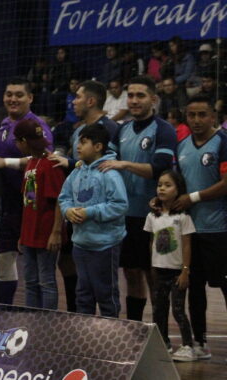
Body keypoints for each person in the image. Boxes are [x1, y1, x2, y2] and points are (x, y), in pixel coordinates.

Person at [100, 75, 177, 321]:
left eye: (140, 95)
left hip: (155, 216)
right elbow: (107, 162)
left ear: (153, 99)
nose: (134, 101)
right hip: (126, 214)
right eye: (130, 95)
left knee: (153, 274)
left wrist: (124, 164)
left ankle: (160, 332)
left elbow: (159, 168)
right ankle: (135, 328)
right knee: (131, 272)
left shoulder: (164, 130)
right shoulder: (122, 128)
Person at [173, 94, 227, 360]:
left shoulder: (223, 143)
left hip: (219, 229)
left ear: (213, 116)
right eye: (191, 115)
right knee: (194, 288)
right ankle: (200, 343)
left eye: (202, 114)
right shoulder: (181, 145)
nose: (196, 120)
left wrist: (192, 198)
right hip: (190, 230)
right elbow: (177, 184)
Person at [0, 77, 53, 304]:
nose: (13, 99)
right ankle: (4, 308)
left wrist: (5, 163)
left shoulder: (36, 126)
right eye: (9, 94)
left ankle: (40, 317)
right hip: (7, 202)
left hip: (30, 204)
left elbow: (46, 160)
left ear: (30, 98)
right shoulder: (5, 124)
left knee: (34, 264)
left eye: (19, 95)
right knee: (4, 255)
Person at [58, 124, 127, 317]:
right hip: (80, 244)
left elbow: (120, 205)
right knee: (83, 294)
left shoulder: (110, 174)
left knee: (106, 294)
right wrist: (68, 211)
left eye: (83, 142)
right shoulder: (76, 173)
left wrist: (90, 212)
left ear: (98, 147)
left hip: (105, 245)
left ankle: (111, 337)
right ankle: (85, 337)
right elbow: (64, 198)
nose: (77, 147)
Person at [144, 170, 196, 361]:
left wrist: (185, 271)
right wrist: (152, 266)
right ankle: (162, 343)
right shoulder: (152, 216)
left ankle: (188, 346)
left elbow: (187, 244)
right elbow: (152, 242)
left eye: (168, 185)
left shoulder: (183, 217)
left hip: (176, 272)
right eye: (159, 185)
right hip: (158, 270)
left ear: (178, 189)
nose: (162, 188)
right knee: (159, 308)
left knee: (178, 310)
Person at [13, 119, 65, 310]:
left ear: (24, 141)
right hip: (29, 234)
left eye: (17, 141)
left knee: (46, 282)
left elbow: (60, 199)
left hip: (45, 234)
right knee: (30, 282)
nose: (16, 145)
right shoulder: (31, 163)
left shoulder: (50, 164)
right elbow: (27, 202)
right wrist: (22, 233)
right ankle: (31, 319)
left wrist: (56, 232)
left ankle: (47, 322)